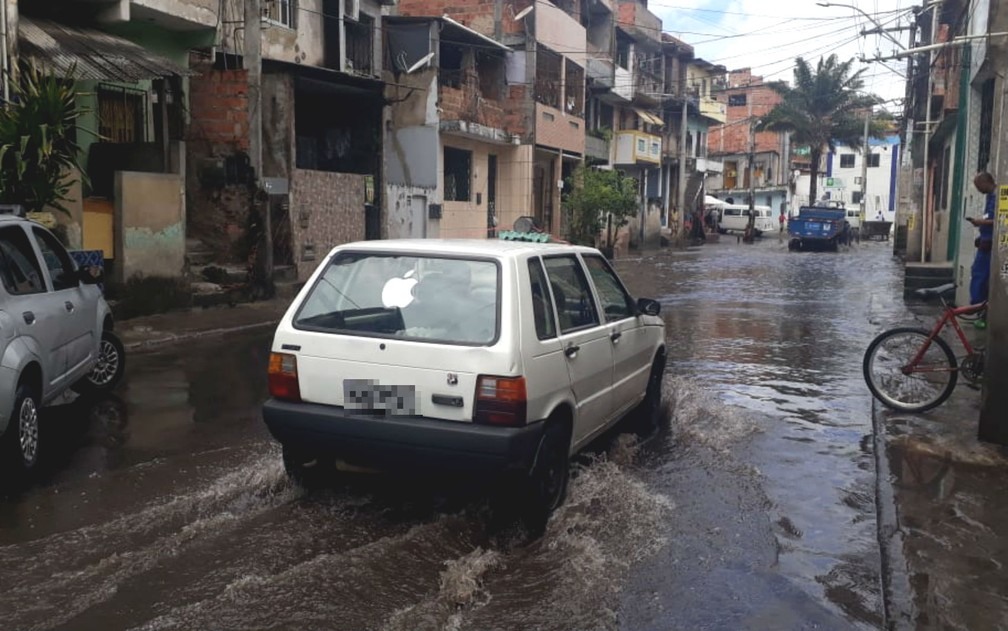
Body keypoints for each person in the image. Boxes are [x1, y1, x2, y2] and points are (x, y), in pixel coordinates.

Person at [967, 171, 996, 327]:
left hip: (991, 244)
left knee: (980, 276)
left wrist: (980, 222)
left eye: (979, 186)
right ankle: (980, 310)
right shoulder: (990, 196)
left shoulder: (999, 196)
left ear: (986, 182)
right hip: (986, 240)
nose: (978, 189)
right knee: (979, 276)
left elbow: (1000, 219)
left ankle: (979, 309)